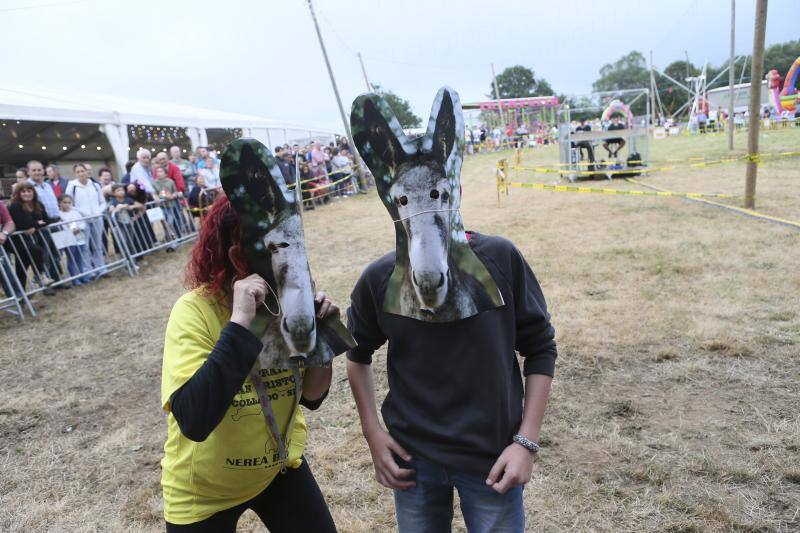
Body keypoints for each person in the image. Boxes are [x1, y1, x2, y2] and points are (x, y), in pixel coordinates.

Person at [347, 87, 557, 533]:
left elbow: (540, 348)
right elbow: (356, 353)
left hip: (491, 458)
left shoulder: (500, 260)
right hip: (413, 462)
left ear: (456, 188)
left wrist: (527, 441)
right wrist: (373, 433)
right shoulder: (379, 279)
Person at [160, 196, 337, 532]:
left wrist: (319, 340)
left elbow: (312, 396)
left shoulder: (287, 301)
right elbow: (194, 419)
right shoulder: (194, 310)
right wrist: (240, 322)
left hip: (277, 468)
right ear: (235, 252)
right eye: (270, 247)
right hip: (204, 492)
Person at [7, 183, 56, 289]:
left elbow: (47, 220)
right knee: (37, 251)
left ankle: (21, 294)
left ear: (33, 192)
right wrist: (37, 223)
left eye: (29, 191)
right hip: (17, 240)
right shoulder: (15, 205)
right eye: (23, 191)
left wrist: (35, 226)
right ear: (18, 193)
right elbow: (20, 225)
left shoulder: (38, 204)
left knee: (21, 266)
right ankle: (40, 276)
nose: (26, 194)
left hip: (30, 239)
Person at [66, 163, 107, 277]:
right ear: (75, 174)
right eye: (78, 172)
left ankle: (101, 269)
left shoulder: (95, 185)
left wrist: (98, 211)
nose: (81, 174)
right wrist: (82, 213)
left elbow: (102, 202)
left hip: (97, 219)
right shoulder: (72, 186)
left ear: (86, 172)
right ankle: (88, 271)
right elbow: (70, 204)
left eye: (82, 171)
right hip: (82, 221)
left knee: (98, 245)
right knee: (85, 247)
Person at [56, 194, 93, 285]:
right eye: (65, 202)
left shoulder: (75, 212)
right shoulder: (58, 214)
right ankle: (74, 278)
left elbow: (82, 222)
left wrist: (79, 228)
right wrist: (70, 230)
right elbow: (61, 225)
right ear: (60, 203)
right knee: (71, 258)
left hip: (79, 236)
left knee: (79, 257)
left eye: (69, 202)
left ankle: (82, 275)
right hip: (67, 237)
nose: (67, 205)